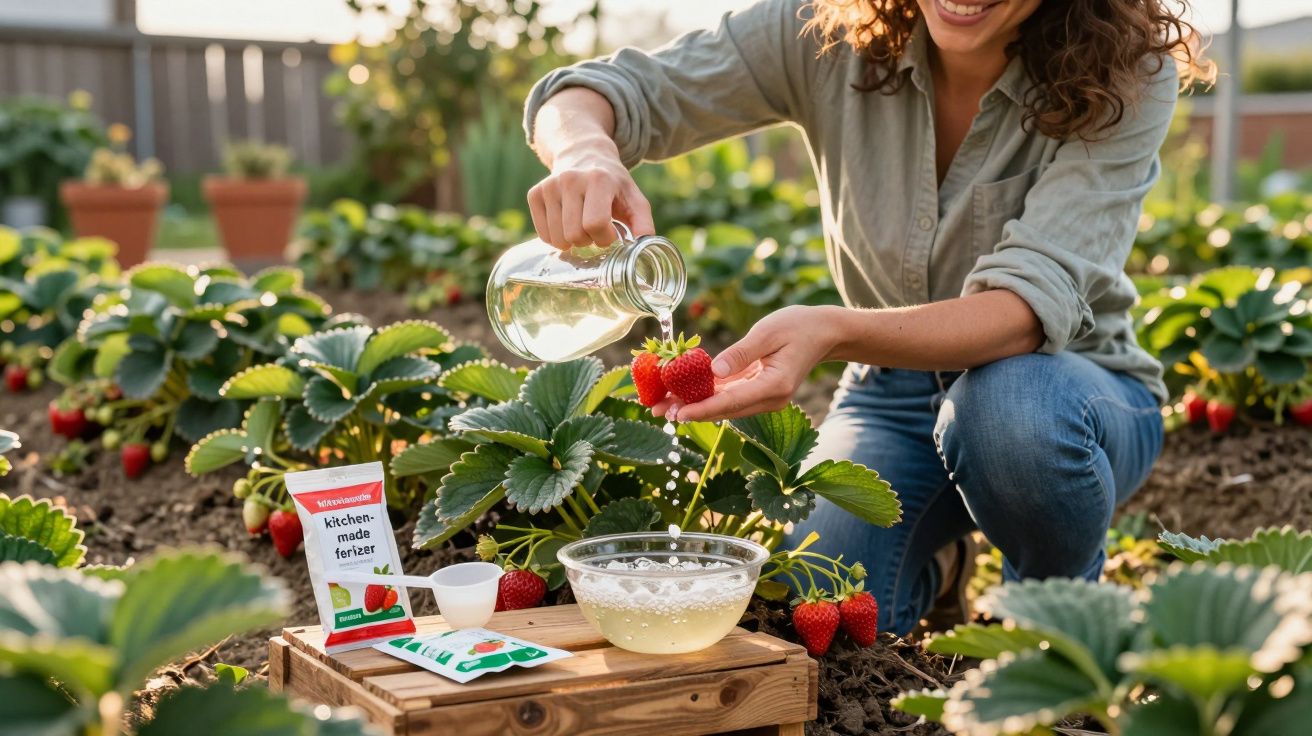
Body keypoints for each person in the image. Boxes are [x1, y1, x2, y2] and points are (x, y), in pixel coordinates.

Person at [521, 0, 1211, 634]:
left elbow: (1025, 312)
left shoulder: (1125, 72)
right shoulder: (825, 29)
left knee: (1009, 411)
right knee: (826, 596)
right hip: (893, 393)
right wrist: (584, 147)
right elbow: (601, 91)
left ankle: (1063, 624)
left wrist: (834, 330)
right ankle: (941, 571)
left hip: (1068, 393)